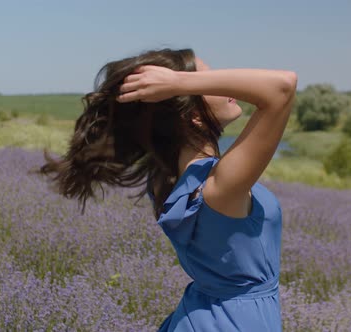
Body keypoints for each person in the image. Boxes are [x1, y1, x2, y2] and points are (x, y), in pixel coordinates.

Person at [38, 48, 297, 331]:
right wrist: (179, 82)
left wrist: (178, 84)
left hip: (198, 315)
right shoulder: (219, 186)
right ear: (194, 116)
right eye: (207, 78)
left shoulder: (165, 177)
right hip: (237, 322)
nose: (222, 82)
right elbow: (282, 87)